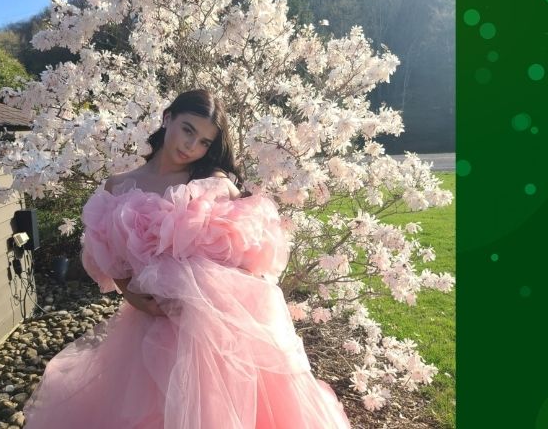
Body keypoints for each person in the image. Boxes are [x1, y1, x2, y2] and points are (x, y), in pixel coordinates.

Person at [23, 89, 351, 428]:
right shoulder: (119, 186)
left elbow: (253, 244)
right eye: (188, 129)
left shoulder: (213, 185)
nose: (191, 146)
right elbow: (108, 253)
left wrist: (218, 290)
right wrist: (131, 295)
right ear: (168, 119)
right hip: (149, 325)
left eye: (205, 142)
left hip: (210, 328)